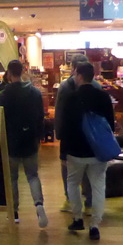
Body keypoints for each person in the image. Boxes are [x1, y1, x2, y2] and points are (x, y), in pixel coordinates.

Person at [60, 62, 114, 241]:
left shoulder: (71, 98)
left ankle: (77, 218)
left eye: (75, 74)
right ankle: (95, 225)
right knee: (98, 186)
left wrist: (63, 153)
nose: (74, 77)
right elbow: (110, 126)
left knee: (73, 183)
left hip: (76, 151)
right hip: (98, 151)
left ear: (80, 76)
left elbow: (65, 128)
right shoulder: (103, 97)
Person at [0, 59, 49, 228]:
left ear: (9, 74)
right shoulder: (34, 92)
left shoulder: (4, 94)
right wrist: (39, 137)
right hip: (30, 141)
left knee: (12, 178)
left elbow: (0, 119)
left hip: (11, 142)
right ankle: (39, 205)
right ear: (23, 71)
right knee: (32, 176)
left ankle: (15, 213)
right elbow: (41, 117)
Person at [54, 54, 93, 214]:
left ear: (74, 69)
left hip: (70, 135)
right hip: (90, 135)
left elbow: (59, 112)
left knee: (67, 169)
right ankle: (89, 202)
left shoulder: (65, 87)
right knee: (88, 168)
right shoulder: (95, 86)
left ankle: (70, 201)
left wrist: (59, 133)